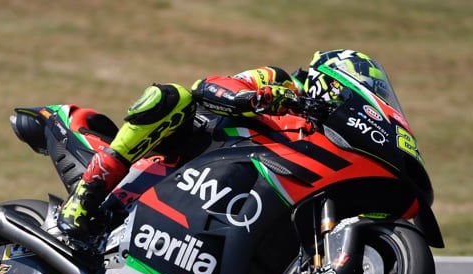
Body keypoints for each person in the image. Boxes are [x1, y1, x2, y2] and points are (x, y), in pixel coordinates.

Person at [57, 49, 382, 242]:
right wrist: (262, 97)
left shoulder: (322, 142)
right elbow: (209, 87)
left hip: (233, 193)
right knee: (171, 97)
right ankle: (84, 198)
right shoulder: (280, 80)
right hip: (191, 147)